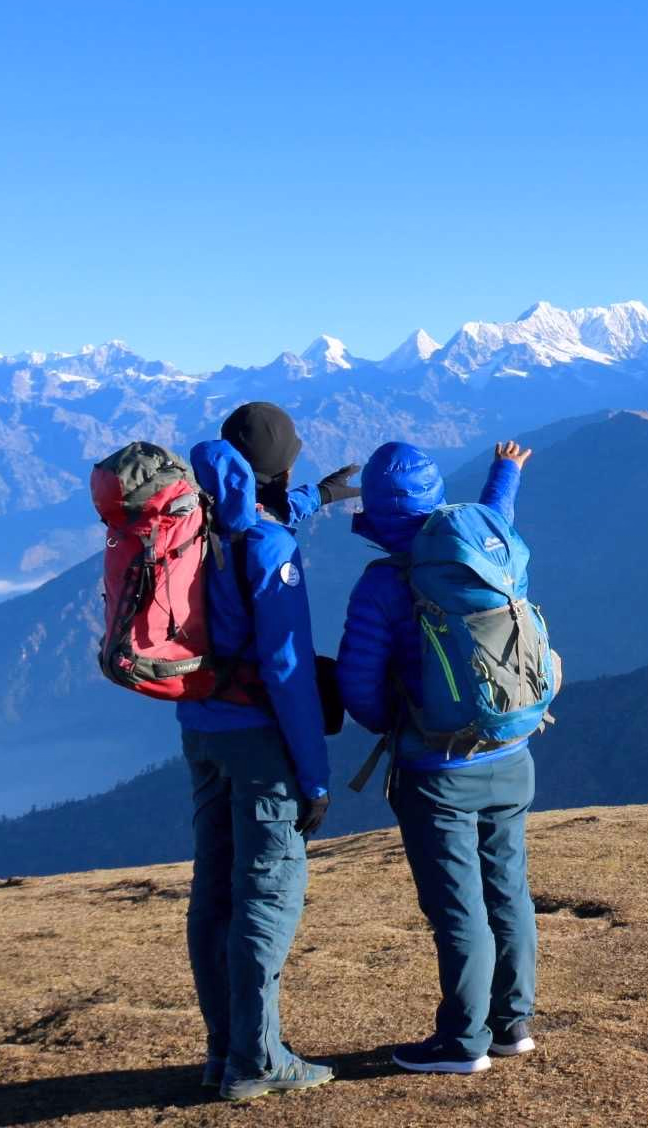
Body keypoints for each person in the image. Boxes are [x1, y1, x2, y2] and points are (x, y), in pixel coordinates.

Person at [336, 438, 544, 1076]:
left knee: (458, 907)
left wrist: (400, 724)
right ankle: (511, 1024)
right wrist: (505, 470)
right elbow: (498, 514)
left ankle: (462, 1042)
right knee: (507, 890)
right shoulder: (487, 549)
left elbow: (358, 686)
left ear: (376, 514)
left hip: (438, 772)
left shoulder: (382, 585)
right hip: (511, 750)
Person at [181, 401, 360, 1102]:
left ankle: (222, 1049)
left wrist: (320, 495)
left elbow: (258, 509)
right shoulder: (268, 547)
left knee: (215, 893)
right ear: (280, 468)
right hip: (259, 739)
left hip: (200, 728)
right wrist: (314, 779)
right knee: (265, 895)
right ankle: (257, 1060)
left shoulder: (198, 519)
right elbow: (287, 671)